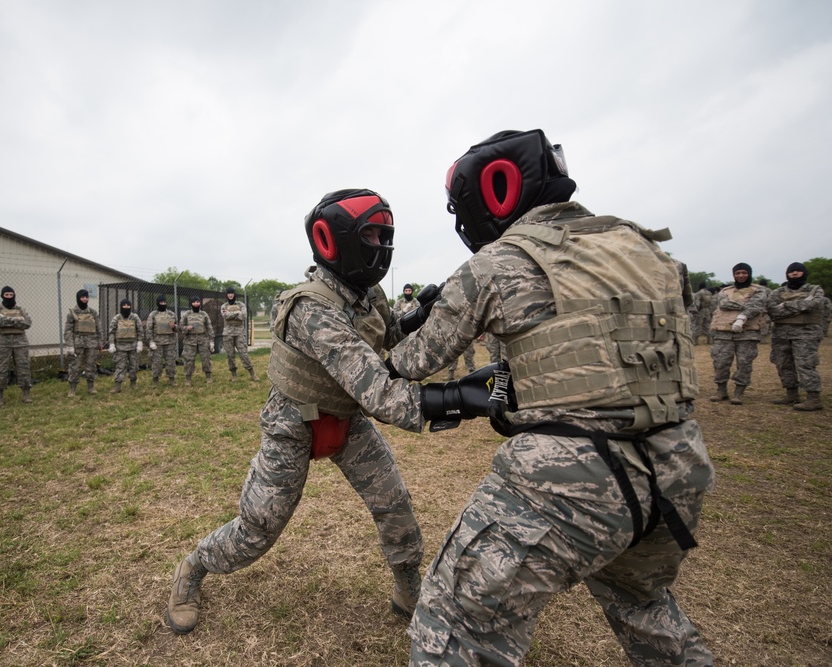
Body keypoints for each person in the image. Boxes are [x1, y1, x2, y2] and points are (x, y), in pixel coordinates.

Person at [387, 129, 715, 666]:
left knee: (453, 626)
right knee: (644, 607)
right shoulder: (646, 250)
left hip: (574, 478)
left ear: (493, 194)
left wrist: (416, 321)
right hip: (677, 467)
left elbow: (408, 364)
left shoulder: (497, 264)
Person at [167, 188, 440, 636]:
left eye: (384, 235)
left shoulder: (368, 293)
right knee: (258, 530)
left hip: (344, 417)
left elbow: (386, 333)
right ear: (334, 240)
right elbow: (379, 390)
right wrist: (459, 398)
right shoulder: (309, 307)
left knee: (394, 503)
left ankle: (409, 589)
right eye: (371, 235)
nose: (381, 245)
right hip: (292, 423)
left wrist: (422, 311)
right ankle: (193, 568)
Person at [767, 262, 825, 411]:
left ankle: (813, 398)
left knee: (805, 365)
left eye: (798, 271)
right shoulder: (777, 292)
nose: (794, 274)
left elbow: (813, 305)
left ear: (804, 273)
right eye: (791, 271)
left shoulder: (814, 290)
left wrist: (785, 305)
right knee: (783, 364)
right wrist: (799, 306)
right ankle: (791, 394)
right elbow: (772, 311)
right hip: (781, 334)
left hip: (806, 333)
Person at [707, 263, 768, 404]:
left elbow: (757, 307)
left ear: (749, 274)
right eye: (738, 273)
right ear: (734, 274)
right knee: (720, 362)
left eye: (744, 273)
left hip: (747, 331)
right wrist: (747, 306)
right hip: (723, 331)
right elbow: (723, 304)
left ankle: (738, 393)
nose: (741, 275)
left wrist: (742, 316)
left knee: (744, 363)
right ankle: (721, 391)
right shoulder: (725, 291)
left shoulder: (758, 290)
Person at [0, 286, 32, 406]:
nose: (9, 297)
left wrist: (8, 320)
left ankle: (26, 393)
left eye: (11, 294)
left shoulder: (21, 309)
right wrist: (18, 319)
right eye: (6, 295)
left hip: (20, 342)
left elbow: (28, 323)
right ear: (2, 296)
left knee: (23, 367)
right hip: (1, 342)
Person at [64, 289, 101, 397]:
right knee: (75, 366)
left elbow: (99, 328)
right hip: (77, 343)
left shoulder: (93, 312)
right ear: (78, 298)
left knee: (91, 365)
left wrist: (100, 342)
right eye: (82, 297)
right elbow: (68, 330)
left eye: (86, 297)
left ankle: (91, 387)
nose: (85, 299)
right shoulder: (73, 312)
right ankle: (72, 389)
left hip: (91, 343)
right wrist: (70, 345)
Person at [221, 286, 260, 382]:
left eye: (232, 293)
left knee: (244, 354)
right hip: (228, 333)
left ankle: (252, 374)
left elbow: (243, 316)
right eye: (229, 293)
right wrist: (236, 313)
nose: (230, 295)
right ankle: (234, 374)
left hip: (239, 333)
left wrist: (231, 313)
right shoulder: (223, 306)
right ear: (227, 295)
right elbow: (225, 316)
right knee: (230, 355)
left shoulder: (241, 304)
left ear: (234, 294)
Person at [107, 298, 143, 392]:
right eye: (124, 305)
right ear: (121, 306)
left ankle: (133, 383)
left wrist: (140, 342)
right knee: (120, 366)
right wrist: (111, 344)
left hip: (133, 346)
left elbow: (140, 330)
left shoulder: (135, 317)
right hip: (120, 347)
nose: (126, 307)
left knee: (134, 366)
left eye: (128, 305)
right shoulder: (117, 318)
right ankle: (117, 386)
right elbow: (111, 332)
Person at [146, 295, 179, 388]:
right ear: (158, 303)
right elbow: (149, 329)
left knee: (171, 362)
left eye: (164, 302)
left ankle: (171, 379)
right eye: (161, 302)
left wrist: (174, 327)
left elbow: (177, 328)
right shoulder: (153, 315)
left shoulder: (171, 314)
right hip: (157, 343)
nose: (163, 304)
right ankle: (155, 380)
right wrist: (151, 342)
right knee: (156, 363)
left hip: (170, 343)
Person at [180, 296, 214, 386]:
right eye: (194, 302)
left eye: (198, 302)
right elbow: (181, 326)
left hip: (203, 339)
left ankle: (208, 377)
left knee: (206, 359)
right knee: (189, 360)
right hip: (190, 341)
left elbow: (209, 327)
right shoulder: (187, 314)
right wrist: (187, 328)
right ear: (191, 303)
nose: (196, 303)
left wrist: (211, 341)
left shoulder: (204, 314)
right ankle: (188, 379)